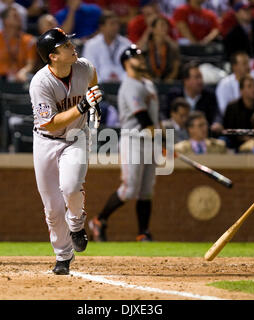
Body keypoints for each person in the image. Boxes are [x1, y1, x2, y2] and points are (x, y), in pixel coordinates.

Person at [31, 28, 102, 275]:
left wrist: (95, 104)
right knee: (51, 207)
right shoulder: (41, 82)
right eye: (65, 45)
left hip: (76, 137)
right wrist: (83, 106)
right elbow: (49, 123)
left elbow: (92, 79)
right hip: (46, 141)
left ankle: (76, 224)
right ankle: (63, 257)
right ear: (53, 56)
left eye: (70, 42)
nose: (72, 46)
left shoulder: (83, 66)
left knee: (71, 187)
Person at [89, 45, 160, 242]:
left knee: (146, 191)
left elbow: (154, 118)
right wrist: (161, 140)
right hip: (134, 140)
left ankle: (143, 232)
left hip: (150, 141)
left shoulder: (148, 84)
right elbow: (143, 117)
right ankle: (99, 220)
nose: (142, 59)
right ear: (127, 62)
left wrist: (162, 140)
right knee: (129, 190)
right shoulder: (129, 85)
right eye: (137, 57)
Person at [166, 61, 223, 132]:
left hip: (201, 134)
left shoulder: (209, 95)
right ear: (186, 80)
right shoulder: (174, 95)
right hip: (177, 133)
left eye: (201, 77)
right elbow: (164, 114)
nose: (200, 81)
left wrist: (216, 123)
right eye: (197, 77)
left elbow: (216, 114)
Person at [215, 51, 254, 116]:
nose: (248, 67)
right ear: (234, 66)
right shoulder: (224, 85)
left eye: (248, 63)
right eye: (244, 64)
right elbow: (224, 110)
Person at [82, 10, 131, 82]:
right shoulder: (91, 45)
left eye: (117, 24)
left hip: (124, 84)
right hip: (100, 84)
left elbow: (131, 68)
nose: (116, 27)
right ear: (102, 27)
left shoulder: (126, 43)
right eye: (112, 24)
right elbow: (89, 70)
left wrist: (124, 81)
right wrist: (102, 84)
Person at [223, 75, 254, 149]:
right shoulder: (232, 107)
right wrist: (244, 137)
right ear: (241, 91)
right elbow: (228, 130)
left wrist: (252, 138)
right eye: (249, 86)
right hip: (236, 142)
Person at [142, 16, 180, 81]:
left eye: (166, 25)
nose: (165, 28)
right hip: (148, 81)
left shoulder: (171, 46)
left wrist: (169, 79)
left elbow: (176, 65)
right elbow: (140, 60)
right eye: (162, 25)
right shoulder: (147, 45)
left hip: (168, 81)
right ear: (153, 29)